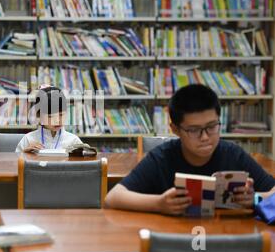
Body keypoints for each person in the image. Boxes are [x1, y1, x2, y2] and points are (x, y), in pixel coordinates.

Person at [105, 84, 275, 215]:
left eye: (212, 126)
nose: (205, 137)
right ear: (175, 129)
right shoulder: (162, 158)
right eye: (194, 130)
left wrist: (254, 198)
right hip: (174, 238)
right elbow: (113, 197)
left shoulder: (233, 154)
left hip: (223, 237)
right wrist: (159, 204)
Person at [16, 85, 83, 153]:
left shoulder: (74, 141)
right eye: (51, 116)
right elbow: (15, 162)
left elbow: (83, 163)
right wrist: (24, 154)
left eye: (61, 114)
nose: (57, 120)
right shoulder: (28, 139)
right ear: (39, 115)